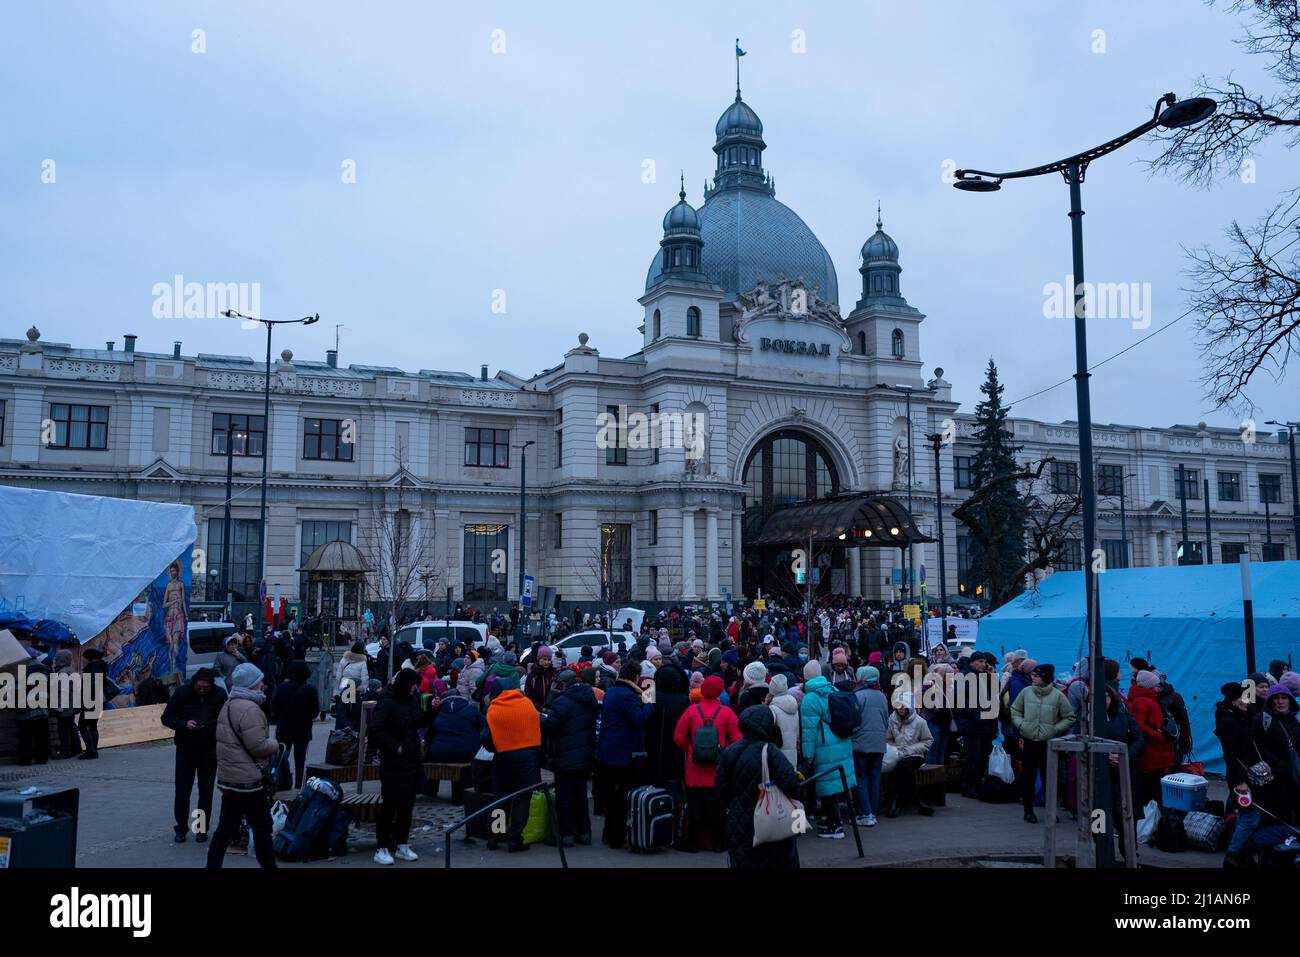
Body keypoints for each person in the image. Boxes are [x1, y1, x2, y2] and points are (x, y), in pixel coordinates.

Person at [206, 664, 281, 869]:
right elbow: (257, 746)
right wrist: (275, 744)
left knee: (224, 829)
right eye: (260, 681)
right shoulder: (250, 709)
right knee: (262, 828)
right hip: (249, 782)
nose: (264, 685)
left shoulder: (228, 705)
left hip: (229, 780)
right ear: (252, 684)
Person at [715, 705, 802, 869]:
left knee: (743, 859)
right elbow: (791, 784)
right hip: (773, 818)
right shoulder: (771, 751)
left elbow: (720, 787)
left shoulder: (730, 751)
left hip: (740, 819)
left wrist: (734, 805)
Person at [674, 674, 741, 851]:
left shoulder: (692, 710)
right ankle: (718, 842)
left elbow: (678, 736)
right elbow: (738, 738)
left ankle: (694, 842)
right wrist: (724, 751)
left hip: (694, 766)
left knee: (696, 807)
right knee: (717, 808)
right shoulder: (727, 712)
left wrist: (690, 748)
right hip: (718, 768)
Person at [161, 667, 227, 842]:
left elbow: (225, 719)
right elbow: (166, 717)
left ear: (211, 685)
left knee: (206, 791)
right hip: (185, 749)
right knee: (183, 790)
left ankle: (201, 829)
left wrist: (211, 728)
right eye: (199, 686)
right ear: (194, 683)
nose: (202, 689)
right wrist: (184, 724)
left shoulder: (219, 695)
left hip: (209, 749)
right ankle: (181, 828)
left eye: (206, 687)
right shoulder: (182, 693)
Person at [368, 669, 426, 864]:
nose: (415, 688)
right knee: (390, 805)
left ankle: (402, 844)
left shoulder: (411, 700)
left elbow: (418, 721)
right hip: (393, 761)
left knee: (407, 805)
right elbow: (374, 731)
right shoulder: (387, 702)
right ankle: (381, 847)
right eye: (413, 684)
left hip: (411, 760)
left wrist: (432, 711)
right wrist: (395, 747)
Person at [482, 674, 543, 852]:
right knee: (522, 799)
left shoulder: (493, 709)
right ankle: (515, 838)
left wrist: (499, 747)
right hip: (528, 758)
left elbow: (486, 738)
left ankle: (495, 836)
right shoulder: (527, 704)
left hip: (504, 758)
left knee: (501, 798)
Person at [597, 663, 655, 849]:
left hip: (608, 752)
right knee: (621, 798)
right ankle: (617, 837)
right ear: (636, 676)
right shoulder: (626, 696)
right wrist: (649, 701)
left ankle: (609, 834)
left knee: (613, 797)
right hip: (622, 754)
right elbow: (639, 719)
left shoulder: (613, 692)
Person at [1010, 663, 1075, 823]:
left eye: (1036, 675)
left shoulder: (1058, 696)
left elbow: (1069, 717)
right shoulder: (1026, 692)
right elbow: (1015, 710)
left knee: (1050, 778)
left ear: (1045, 677)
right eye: (1032, 675)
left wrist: (1054, 729)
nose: (1032, 678)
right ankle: (1028, 809)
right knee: (1028, 777)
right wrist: (1022, 725)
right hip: (1029, 741)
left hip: (1048, 744)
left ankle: (1051, 810)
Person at [799, 661, 857, 838]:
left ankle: (835, 826)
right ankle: (831, 820)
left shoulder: (810, 698)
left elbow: (808, 731)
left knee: (827, 786)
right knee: (836, 784)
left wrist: (807, 755)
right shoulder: (832, 689)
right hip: (841, 741)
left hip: (825, 746)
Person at [540, 669, 598, 846]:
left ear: (563, 685)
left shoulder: (563, 702)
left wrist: (539, 718)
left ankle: (566, 835)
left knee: (564, 798)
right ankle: (584, 832)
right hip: (584, 756)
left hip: (565, 757)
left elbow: (549, 726)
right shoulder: (589, 698)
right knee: (580, 796)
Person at [1250, 684, 1299, 824]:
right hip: (1276, 774)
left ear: (1290, 699)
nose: (1280, 701)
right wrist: (1275, 762)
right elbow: (1256, 744)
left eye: (1284, 697)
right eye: (1276, 698)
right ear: (1270, 701)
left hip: (1297, 770)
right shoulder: (1262, 719)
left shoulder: (1297, 717)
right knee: (1280, 810)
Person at [1128, 669, 1176, 809]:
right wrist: (1160, 736)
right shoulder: (1143, 701)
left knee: (1154, 786)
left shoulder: (1148, 700)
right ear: (1149, 686)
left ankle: (1153, 817)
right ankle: (1150, 820)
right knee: (1152, 788)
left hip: (1156, 750)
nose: (1158, 687)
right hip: (1153, 750)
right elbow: (1140, 725)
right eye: (1155, 685)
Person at [885, 693, 935, 817]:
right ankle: (918, 802)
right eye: (898, 706)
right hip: (897, 754)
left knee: (901, 766)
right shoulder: (892, 719)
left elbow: (928, 741)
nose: (900, 709)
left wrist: (909, 750)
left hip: (915, 755)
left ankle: (895, 800)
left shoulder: (920, 722)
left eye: (903, 706)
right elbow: (888, 739)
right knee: (906, 771)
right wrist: (894, 749)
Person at [851, 666, 889, 826]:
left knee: (861, 777)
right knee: (875, 778)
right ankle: (873, 811)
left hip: (861, 743)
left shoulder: (858, 695)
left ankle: (865, 813)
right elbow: (886, 721)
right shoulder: (882, 696)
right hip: (879, 743)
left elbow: (854, 721)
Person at [271, 661, 319, 789]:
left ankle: (282, 782)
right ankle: (298, 786)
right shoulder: (310, 689)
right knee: (300, 759)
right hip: (303, 729)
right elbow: (315, 712)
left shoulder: (282, 688)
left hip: (284, 728)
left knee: (281, 757)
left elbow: (274, 707)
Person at [644, 662, 690, 791]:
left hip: (651, 744)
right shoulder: (683, 700)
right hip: (674, 747)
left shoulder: (649, 694)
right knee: (671, 784)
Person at [16, 650, 51, 766]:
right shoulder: (45, 669)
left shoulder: (22, 670)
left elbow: (17, 689)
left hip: (27, 708)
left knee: (26, 736)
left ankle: (25, 760)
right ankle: (42, 758)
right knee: (42, 735)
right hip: (43, 707)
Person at [77, 648, 107, 760]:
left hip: (90, 700)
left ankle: (91, 751)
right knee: (93, 726)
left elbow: (91, 685)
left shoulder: (92, 667)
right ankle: (94, 749)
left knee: (83, 725)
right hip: (99, 699)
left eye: (85, 658)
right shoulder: (101, 665)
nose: (84, 660)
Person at [767, 673, 801, 770]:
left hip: (778, 756)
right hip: (793, 756)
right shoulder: (794, 705)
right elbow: (797, 733)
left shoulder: (772, 708)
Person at [52, 650, 81, 759]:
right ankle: (76, 748)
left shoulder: (62, 673)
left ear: (61, 660)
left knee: (64, 729)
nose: (55, 661)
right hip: (72, 704)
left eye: (57, 658)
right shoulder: (71, 671)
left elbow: (62, 691)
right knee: (71, 727)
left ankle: (66, 751)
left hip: (65, 706)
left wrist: (59, 706)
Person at [334, 641, 369, 730]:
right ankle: (352, 727)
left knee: (343, 708)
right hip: (355, 687)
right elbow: (364, 678)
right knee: (354, 710)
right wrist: (363, 689)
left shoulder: (344, 659)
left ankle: (343, 727)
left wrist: (338, 689)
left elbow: (338, 675)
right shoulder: (362, 662)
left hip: (345, 684)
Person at [524, 645, 557, 711]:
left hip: (551, 709)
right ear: (539, 659)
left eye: (549, 660)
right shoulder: (532, 675)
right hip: (536, 709)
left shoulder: (552, 673)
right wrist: (541, 708)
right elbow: (528, 695)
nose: (547, 662)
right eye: (544, 659)